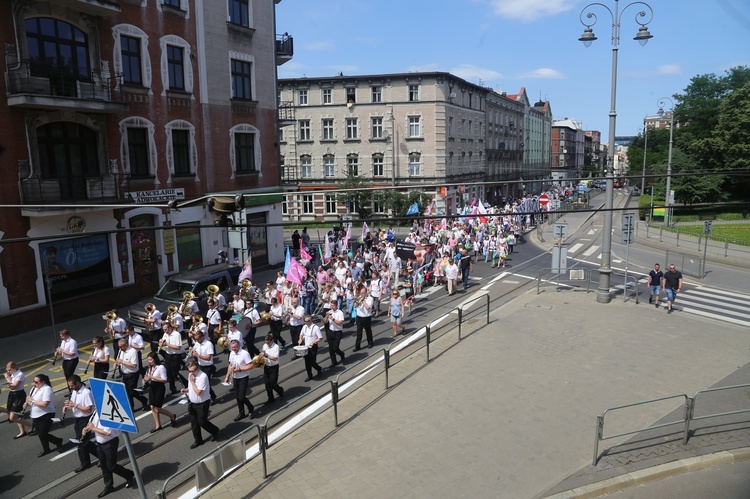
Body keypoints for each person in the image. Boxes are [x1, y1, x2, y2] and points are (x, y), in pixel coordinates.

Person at [83, 411, 136, 497]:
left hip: (110, 443)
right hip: (100, 443)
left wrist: (93, 429)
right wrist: (87, 428)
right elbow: (91, 424)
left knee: (111, 466)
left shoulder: (107, 413)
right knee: (104, 466)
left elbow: (107, 432)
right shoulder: (95, 412)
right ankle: (108, 486)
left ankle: (129, 474)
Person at [182, 359, 219, 449]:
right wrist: (186, 390)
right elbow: (191, 388)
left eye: (193, 370)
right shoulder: (191, 375)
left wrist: (192, 382)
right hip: (193, 403)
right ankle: (198, 440)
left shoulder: (203, 377)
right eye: (190, 371)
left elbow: (198, 392)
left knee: (202, 422)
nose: (191, 373)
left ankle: (214, 430)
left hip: (202, 403)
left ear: (198, 368)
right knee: (194, 423)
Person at [26, 373, 64, 457]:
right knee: (40, 433)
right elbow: (30, 400)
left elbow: (45, 404)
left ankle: (57, 441)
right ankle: (46, 449)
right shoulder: (34, 388)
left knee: (43, 433)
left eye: (36, 382)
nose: (34, 384)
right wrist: (27, 403)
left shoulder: (47, 389)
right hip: (35, 414)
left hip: (46, 414)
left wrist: (32, 401)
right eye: (34, 381)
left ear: (43, 382)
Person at [63, 375, 94, 473]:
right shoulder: (74, 391)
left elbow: (89, 409)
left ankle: (85, 463)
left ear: (78, 383)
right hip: (77, 419)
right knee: (83, 442)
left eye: (72, 386)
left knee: (82, 442)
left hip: (84, 419)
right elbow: (74, 404)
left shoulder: (86, 393)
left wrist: (74, 405)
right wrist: (68, 407)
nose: (70, 388)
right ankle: (100, 456)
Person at [142, 352, 177, 433]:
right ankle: (158, 425)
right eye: (148, 360)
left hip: (159, 387)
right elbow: (148, 378)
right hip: (152, 386)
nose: (149, 361)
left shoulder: (161, 367)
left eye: (151, 360)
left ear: (155, 359)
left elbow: (164, 380)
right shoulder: (150, 368)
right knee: (152, 407)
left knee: (157, 408)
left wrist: (152, 377)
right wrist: (145, 380)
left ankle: (172, 416)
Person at [224, 340, 255, 420]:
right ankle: (241, 413)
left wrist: (240, 369)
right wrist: (227, 376)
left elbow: (251, 365)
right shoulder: (232, 353)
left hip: (243, 377)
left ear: (239, 345)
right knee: (237, 397)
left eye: (235, 347)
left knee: (241, 397)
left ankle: (251, 407)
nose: (234, 348)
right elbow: (230, 365)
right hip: (235, 377)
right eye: (232, 347)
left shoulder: (245, 354)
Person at [115, 338, 149, 412]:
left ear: (126, 345)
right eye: (119, 347)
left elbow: (134, 365)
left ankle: (143, 399)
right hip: (125, 374)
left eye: (121, 347)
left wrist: (122, 362)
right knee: (127, 391)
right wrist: (117, 363)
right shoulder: (121, 351)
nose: (120, 348)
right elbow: (119, 360)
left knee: (131, 391)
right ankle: (131, 407)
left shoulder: (132, 352)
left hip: (132, 374)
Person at [4, 362, 32, 439]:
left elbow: (13, 387)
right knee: (15, 414)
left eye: (10, 370)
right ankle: (22, 431)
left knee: (12, 417)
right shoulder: (13, 374)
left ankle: (30, 425)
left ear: (14, 367)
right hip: (12, 395)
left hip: (18, 395)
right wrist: (9, 378)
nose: (8, 372)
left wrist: (7, 379)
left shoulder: (20, 374)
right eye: (7, 370)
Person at [159, 322, 187, 395]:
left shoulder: (176, 334)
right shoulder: (165, 334)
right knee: (168, 372)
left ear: (170, 327)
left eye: (166, 329)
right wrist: (160, 342)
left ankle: (185, 384)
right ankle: (172, 389)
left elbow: (178, 347)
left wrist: (167, 344)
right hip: (168, 355)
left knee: (174, 372)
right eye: (163, 330)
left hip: (176, 356)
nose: (165, 331)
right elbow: (162, 343)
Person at [191, 330, 217, 405]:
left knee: (206, 382)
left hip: (208, 366)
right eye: (195, 339)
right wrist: (192, 351)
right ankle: (210, 396)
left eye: (198, 339)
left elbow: (208, 358)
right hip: (200, 365)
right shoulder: (197, 343)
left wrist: (198, 355)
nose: (196, 341)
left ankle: (212, 397)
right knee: (202, 383)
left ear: (202, 337)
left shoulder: (208, 344)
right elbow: (194, 352)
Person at [260, 334, 284, 404]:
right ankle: (270, 398)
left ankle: (280, 390)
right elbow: (263, 351)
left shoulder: (276, 347)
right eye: (266, 342)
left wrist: (266, 355)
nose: (267, 344)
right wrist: (261, 354)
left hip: (274, 367)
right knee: (267, 384)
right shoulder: (265, 345)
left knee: (273, 383)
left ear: (272, 340)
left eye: (268, 342)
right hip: (266, 366)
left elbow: (275, 358)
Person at [299, 315, 323, 381]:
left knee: (312, 362)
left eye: (308, 321)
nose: (307, 322)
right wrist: (300, 339)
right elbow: (301, 334)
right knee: (307, 362)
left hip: (313, 347)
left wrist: (313, 342)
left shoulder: (316, 328)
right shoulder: (304, 327)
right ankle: (310, 375)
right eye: (305, 321)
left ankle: (319, 369)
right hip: (306, 347)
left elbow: (320, 338)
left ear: (311, 320)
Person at [324, 300, 346, 366]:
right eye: (331, 305)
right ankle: (334, 362)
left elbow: (340, 323)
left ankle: (342, 354)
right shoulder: (330, 312)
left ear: (336, 305)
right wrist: (326, 317)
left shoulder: (340, 313)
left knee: (335, 348)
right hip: (330, 331)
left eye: (333, 306)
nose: (331, 307)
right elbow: (325, 322)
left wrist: (332, 319)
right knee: (330, 348)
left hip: (338, 332)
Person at [353, 287, 374, 351]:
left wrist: (362, 300)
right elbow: (355, 306)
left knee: (368, 331)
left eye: (363, 293)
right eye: (361, 293)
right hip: (359, 317)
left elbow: (368, 307)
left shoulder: (370, 298)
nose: (361, 294)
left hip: (366, 317)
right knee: (359, 332)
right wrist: (357, 301)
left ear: (366, 292)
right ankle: (357, 346)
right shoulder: (359, 297)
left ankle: (370, 343)